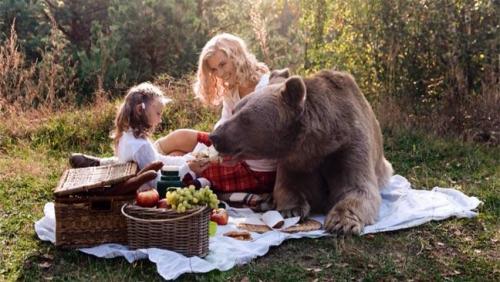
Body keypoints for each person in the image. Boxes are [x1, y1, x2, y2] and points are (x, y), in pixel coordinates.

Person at [153, 33, 277, 194]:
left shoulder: (266, 87)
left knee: (184, 164)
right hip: (231, 151)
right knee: (180, 137)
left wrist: (218, 152)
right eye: (214, 69)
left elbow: (267, 140)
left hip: (255, 169)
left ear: (237, 56)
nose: (220, 73)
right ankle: (147, 158)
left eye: (223, 64)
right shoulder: (232, 89)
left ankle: (151, 174)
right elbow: (224, 123)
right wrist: (211, 148)